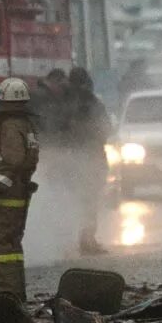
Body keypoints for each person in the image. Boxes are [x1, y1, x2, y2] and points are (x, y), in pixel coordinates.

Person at [0, 78, 40, 301]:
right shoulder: (24, 124)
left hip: (5, 198)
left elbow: (13, 161)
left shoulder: (11, 126)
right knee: (11, 247)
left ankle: (5, 298)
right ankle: (14, 295)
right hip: (17, 194)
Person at [64, 67, 114, 255]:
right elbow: (106, 129)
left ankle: (73, 240)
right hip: (91, 157)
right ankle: (87, 240)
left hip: (71, 158)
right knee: (90, 201)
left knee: (71, 200)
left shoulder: (63, 102)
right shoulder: (93, 103)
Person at [30, 68, 70, 146]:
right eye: (62, 86)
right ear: (53, 82)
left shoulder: (53, 98)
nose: (63, 90)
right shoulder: (39, 97)